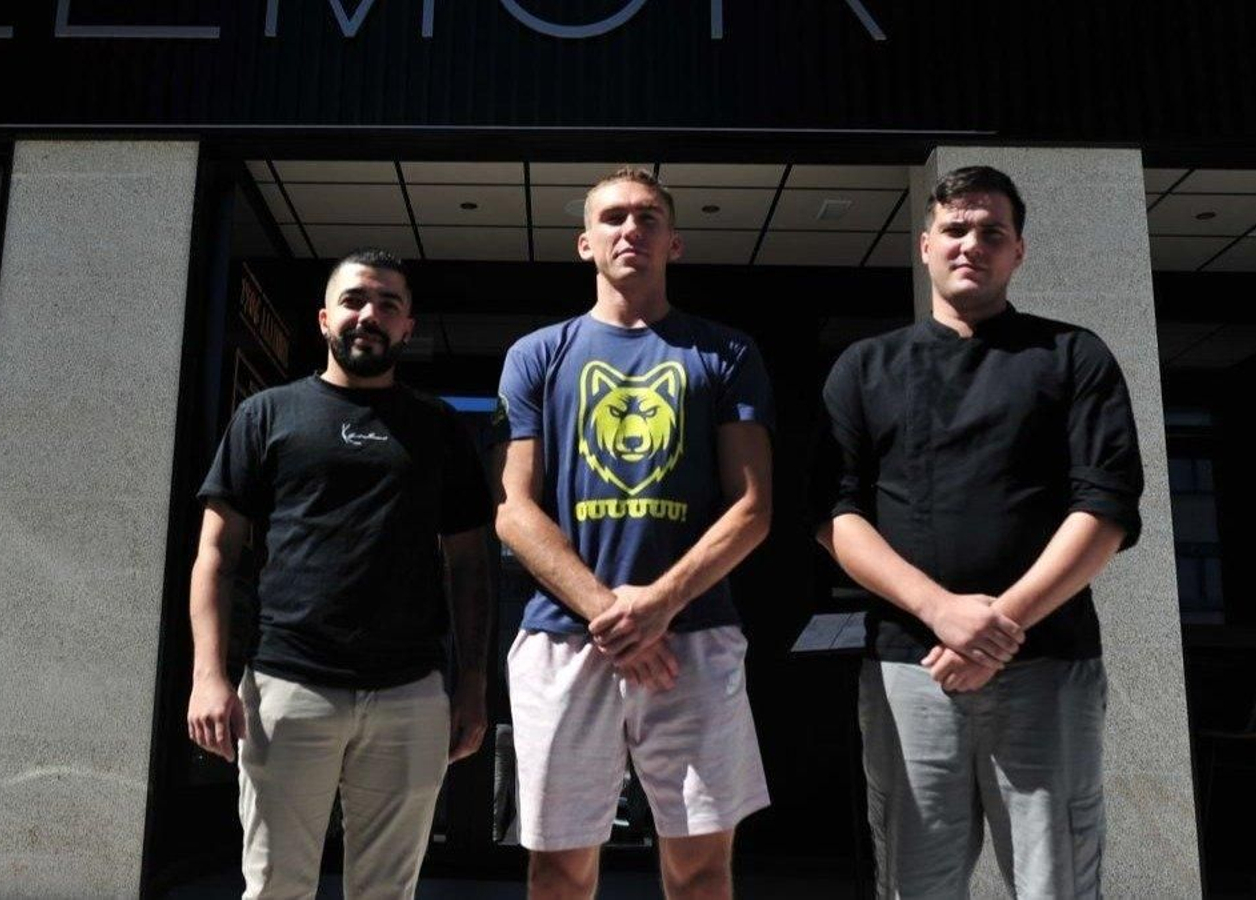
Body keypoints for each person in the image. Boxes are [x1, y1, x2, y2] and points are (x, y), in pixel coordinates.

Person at [813, 165, 1144, 898]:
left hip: (1046, 661)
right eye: (956, 229)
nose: (972, 244)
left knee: (1054, 880)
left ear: (1018, 252)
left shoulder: (1074, 356)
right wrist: (942, 612)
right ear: (926, 244)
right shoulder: (866, 368)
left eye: (991, 231)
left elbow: (1107, 506)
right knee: (914, 882)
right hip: (910, 665)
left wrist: (1000, 624)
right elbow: (836, 516)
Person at [491, 167, 773, 899]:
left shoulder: (726, 352)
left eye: (647, 219)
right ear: (586, 244)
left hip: (695, 635)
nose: (631, 231)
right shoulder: (535, 355)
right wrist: (614, 614)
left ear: (673, 242)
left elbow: (752, 507)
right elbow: (513, 509)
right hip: (563, 637)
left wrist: (660, 607)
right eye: (613, 219)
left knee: (702, 867)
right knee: (556, 868)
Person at [186, 248, 492, 900]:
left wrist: (472, 681)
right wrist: (209, 675)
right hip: (285, 685)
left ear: (408, 326)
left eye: (388, 304)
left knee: (386, 892)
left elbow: (469, 564)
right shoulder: (266, 415)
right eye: (354, 300)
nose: (369, 315)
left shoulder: (437, 427)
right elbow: (216, 554)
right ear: (325, 317)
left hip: (410, 693)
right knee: (275, 888)